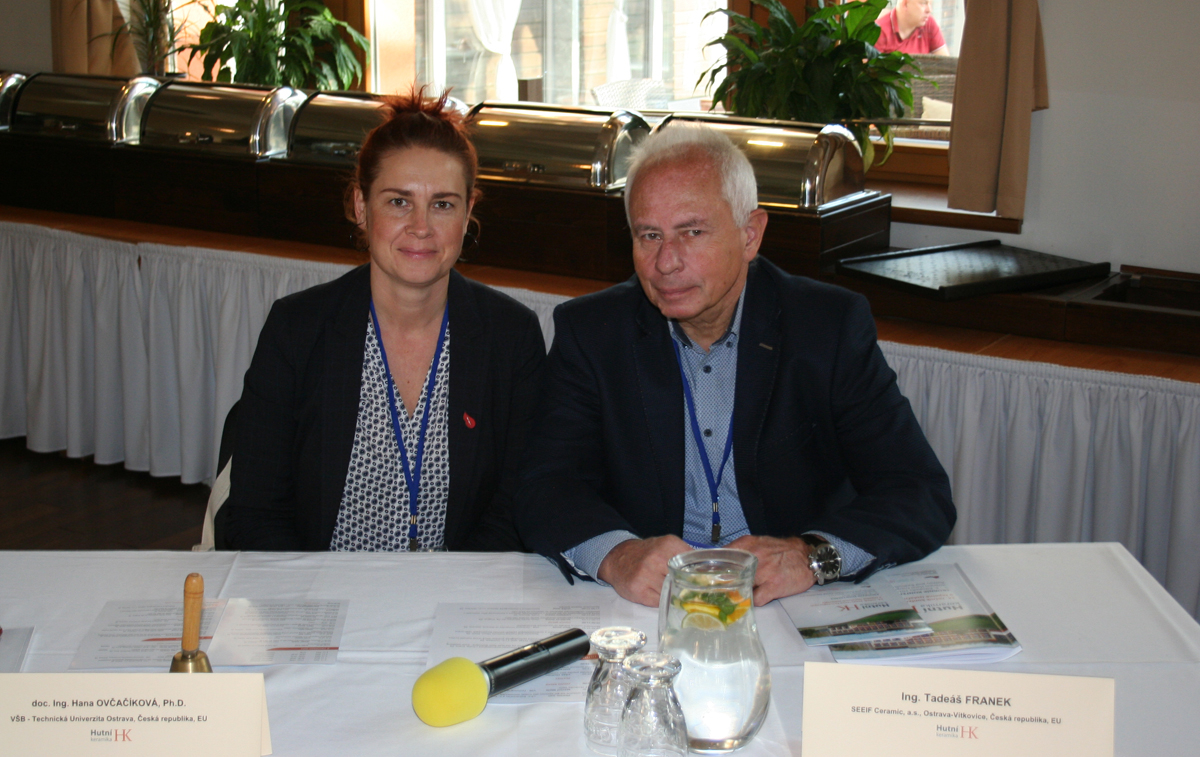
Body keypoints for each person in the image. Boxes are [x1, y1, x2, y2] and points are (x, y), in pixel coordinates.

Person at [514, 123, 955, 607]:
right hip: (649, 606)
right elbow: (545, 486)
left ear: (750, 235)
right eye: (649, 235)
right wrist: (618, 556)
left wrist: (811, 557)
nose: (666, 262)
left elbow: (918, 492)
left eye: (692, 232)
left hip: (792, 600)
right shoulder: (594, 333)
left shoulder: (827, 328)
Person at [219, 88, 545, 552]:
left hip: (458, 588)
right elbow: (255, 513)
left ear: (468, 212)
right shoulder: (297, 330)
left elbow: (518, 507)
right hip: (318, 587)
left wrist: (450, 588)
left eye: (443, 204)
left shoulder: (512, 338)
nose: (421, 227)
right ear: (360, 206)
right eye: (398, 202)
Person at [875, 0, 949, 56]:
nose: (929, 10)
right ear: (905, 4)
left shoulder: (929, 23)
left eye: (930, 3)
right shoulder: (878, 32)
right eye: (924, 3)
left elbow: (945, 64)